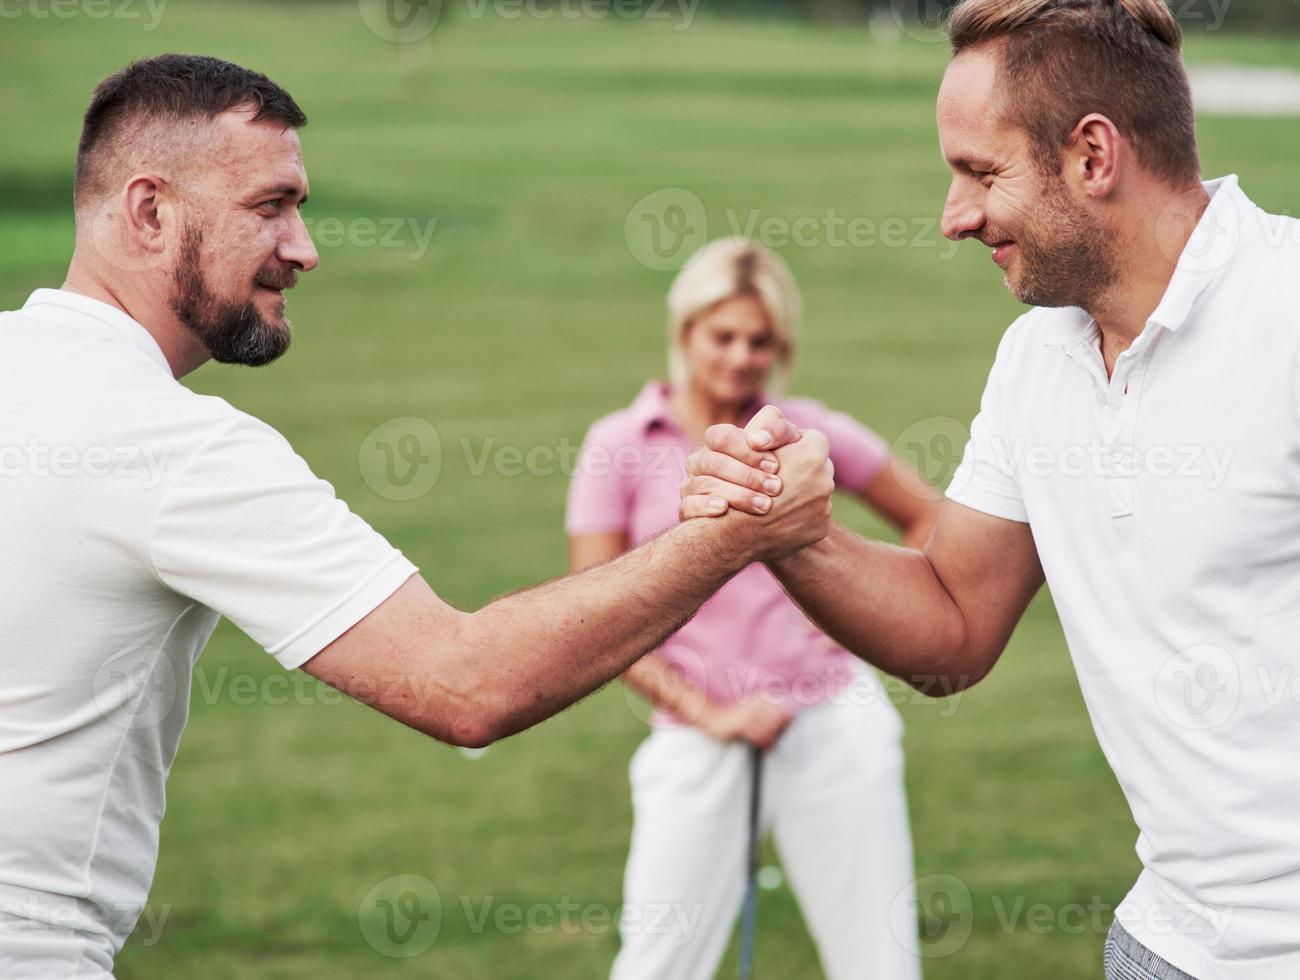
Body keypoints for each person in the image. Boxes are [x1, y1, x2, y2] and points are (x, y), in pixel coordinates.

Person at [0, 54, 835, 979]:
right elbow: (466, 684)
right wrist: (734, 534)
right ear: (150, 211)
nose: (305, 248)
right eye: (269, 207)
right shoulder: (172, 444)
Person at [679, 1, 1300, 978]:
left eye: (979, 171)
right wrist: (794, 534)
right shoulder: (1035, 360)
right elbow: (953, 624)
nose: (953, 215)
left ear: (1092, 156)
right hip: (1161, 943)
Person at [566, 239, 937, 980]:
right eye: (723, 335)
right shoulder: (619, 444)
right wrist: (711, 714)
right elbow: (595, 618)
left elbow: (931, 521)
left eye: (761, 340)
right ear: (685, 334)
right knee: (658, 965)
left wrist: (849, 612)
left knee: (880, 963)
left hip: (833, 723)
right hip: (697, 739)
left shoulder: (805, 436)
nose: (741, 357)